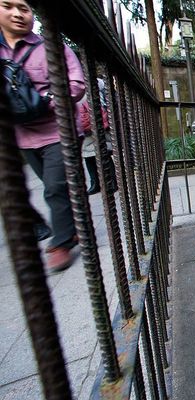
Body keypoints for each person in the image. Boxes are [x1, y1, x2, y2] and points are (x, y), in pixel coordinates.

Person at [0, 0, 85, 272]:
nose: (17, 14)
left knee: (54, 187)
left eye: (23, 8)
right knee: (55, 186)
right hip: (23, 136)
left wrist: (43, 102)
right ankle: (70, 228)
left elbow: (76, 85)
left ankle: (60, 242)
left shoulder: (51, 48)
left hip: (58, 130)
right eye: (7, 6)